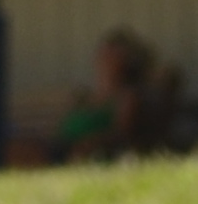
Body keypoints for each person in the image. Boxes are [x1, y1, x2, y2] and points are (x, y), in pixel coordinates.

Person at [50, 29, 178, 161]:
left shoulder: (128, 97)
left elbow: (121, 134)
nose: (105, 60)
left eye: (111, 55)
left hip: (86, 150)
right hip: (61, 144)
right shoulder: (85, 96)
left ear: (126, 62)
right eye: (103, 54)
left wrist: (90, 143)